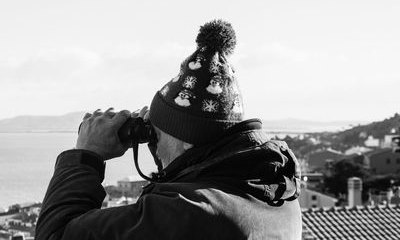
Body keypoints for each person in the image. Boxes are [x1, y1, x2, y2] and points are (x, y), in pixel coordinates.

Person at [35, 20, 302, 240]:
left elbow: (55, 235)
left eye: (155, 134)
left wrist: (87, 155)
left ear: (187, 142)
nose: (153, 144)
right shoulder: (278, 193)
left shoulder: (189, 212)